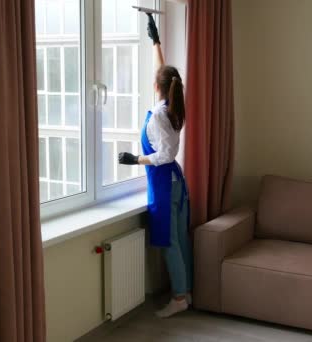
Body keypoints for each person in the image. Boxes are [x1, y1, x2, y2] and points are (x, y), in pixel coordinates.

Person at [118, 13, 192, 319]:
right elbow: (162, 72)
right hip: (172, 181)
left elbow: (162, 154)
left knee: (171, 242)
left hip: (164, 180)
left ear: (156, 86)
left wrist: (136, 159)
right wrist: (155, 40)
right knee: (178, 239)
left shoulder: (161, 115)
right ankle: (185, 291)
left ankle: (179, 297)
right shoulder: (169, 106)